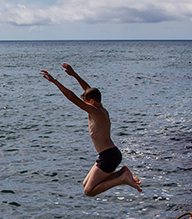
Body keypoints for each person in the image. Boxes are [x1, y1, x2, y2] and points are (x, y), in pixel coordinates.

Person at [41, 63, 142, 196]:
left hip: (109, 156)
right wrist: (74, 74)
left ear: (92, 102)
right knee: (86, 183)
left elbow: (73, 98)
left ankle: (122, 178)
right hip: (109, 154)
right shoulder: (101, 109)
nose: (85, 104)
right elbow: (88, 90)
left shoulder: (95, 111)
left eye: (86, 101)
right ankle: (122, 173)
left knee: (89, 191)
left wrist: (55, 81)